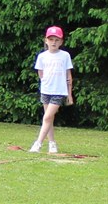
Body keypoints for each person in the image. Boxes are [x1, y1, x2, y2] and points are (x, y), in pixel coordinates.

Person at [29, 25, 74, 154]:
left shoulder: (65, 56)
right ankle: (52, 143)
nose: (54, 42)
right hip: (46, 90)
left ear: (61, 42)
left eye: (57, 40)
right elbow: (41, 74)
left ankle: (38, 143)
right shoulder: (42, 56)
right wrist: (46, 84)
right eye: (51, 39)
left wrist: (69, 94)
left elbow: (68, 76)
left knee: (47, 117)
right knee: (49, 119)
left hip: (59, 92)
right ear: (46, 40)